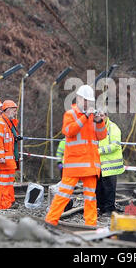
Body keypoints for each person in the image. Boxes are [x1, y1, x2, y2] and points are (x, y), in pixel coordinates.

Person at [45, 84, 107, 227]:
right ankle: (50, 221)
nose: (88, 104)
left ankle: (90, 225)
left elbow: (101, 136)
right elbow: (69, 131)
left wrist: (99, 122)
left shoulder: (92, 116)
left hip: (90, 165)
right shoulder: (70, 114)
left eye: (89, 101)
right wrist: (85, 117)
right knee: (63, 195)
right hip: (74, 165)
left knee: (90, 198)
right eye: (85, 100)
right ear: (78, 98)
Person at [0, 100, 21, 210]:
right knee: (4, 183)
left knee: (9, 182)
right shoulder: (1, 124)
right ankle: (4, 205)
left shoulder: (8, 124)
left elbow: (8, 141)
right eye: (14, 111)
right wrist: (1, 156)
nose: (15, 113)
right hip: (5, 159)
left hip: (9, 159)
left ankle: (10, 202)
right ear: (7, 110)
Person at [96, 109, 124, 216]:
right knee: (99, 188)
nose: (99, 117)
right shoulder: (97, 127)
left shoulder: (113, 128)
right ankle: (102, 208)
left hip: (110, 165)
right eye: (97, 115)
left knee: (109, 188)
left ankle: (109, 209)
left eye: (101, 115)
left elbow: (115, 145)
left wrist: (98, 151)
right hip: (101, 165)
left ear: (106, 116)